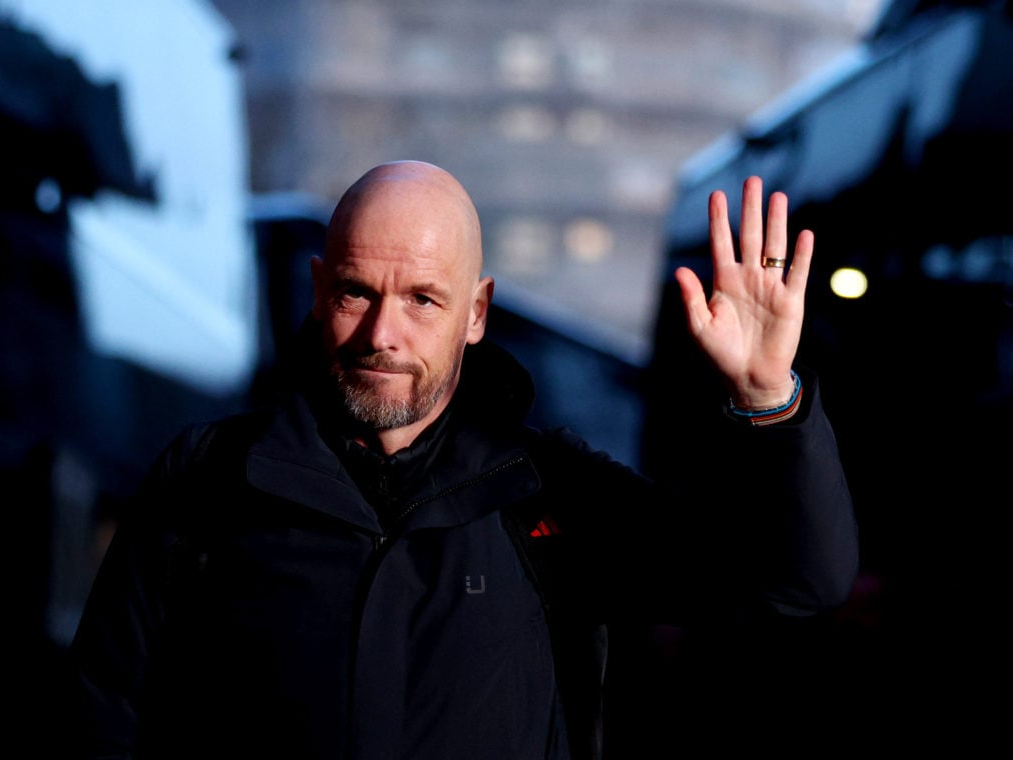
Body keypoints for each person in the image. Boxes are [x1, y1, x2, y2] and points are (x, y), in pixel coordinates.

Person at [65, 160, 858, 759]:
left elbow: (797, 582)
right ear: (316, 291)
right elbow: (101, 717)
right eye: (355, 292)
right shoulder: (206, 482)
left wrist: (769, 400)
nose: (383, 333)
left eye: (422, 299)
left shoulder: (551, 499)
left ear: (476, 312)